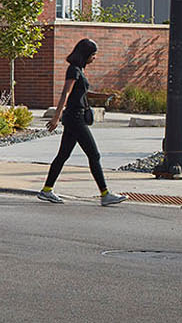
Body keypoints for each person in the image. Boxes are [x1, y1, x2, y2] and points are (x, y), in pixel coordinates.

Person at [39, 38, 125, 206]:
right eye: (93, 54)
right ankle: (105, 194)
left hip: (74, 117)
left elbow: (83, 93)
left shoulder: (79, 70)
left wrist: (103, 96)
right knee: (94, 154)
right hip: (75, 118)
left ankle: (47, 190)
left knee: (63, 155)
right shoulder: (74, 70)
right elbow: (66, 93)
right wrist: (56, 117)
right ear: (85, 54)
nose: (95, 58)